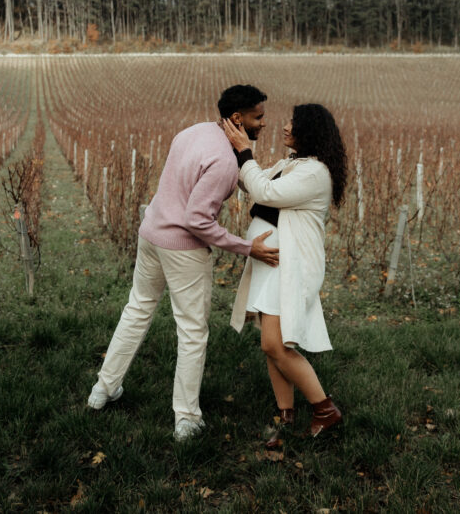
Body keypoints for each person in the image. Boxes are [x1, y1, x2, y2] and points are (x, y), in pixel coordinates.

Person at [87, 85, 279, 442]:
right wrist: (246, 247)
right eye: (259, 116)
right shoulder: (223, 161)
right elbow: (198, 221)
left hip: (151, 234)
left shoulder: (193, 132)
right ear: (237, 119)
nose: (264, 123)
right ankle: (187, 419)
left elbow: (189, 182)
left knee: (137, 310)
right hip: (183, 250)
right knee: (192, 332)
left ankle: (102, 390)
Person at [221, 103, 347, 447]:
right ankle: (285, 414)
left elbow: (265, 192)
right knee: (271, 346)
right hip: (269, 265)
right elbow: (254, 183)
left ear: (310, 131)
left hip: (289, 266)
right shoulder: (292, 164)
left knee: (274, 343)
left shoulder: (315, 173)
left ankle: (324, 409)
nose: (285, 127)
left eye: (293, 123)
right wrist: (235, 153)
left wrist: (245, 152)